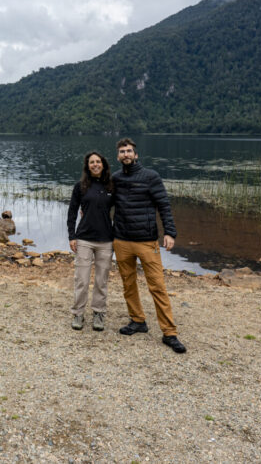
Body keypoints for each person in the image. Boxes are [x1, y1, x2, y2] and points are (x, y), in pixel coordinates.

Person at [111, 137, 187, 353]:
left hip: (146, 241)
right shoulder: (115, 178)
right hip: (122, 240)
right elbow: (104, 201)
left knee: (157, 286)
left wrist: (170, 232)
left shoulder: (151, 177)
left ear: (136, 155)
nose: (126, 154)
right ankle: (137, 321)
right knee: (128, 283)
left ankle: (169, 333)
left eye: (129, 151)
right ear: (118, 156)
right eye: (122, 151)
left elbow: (163, 205)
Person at [67, 151, 115, 331]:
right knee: (82, 280)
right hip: (84, 239)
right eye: (92, 162)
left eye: (98, 161)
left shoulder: (111, 186)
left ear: (103, 164)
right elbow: (72, 212)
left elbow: (119, 213)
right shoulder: (80, 187)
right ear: (88, 166)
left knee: (101, 281)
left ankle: (98, 313)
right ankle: (78, 314)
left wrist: (116, 236)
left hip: (106, 241)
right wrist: (71, 236)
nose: (95, 164)